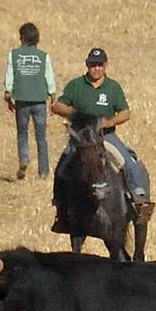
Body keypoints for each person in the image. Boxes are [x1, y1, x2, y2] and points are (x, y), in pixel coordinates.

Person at [51, 47, 150, 204]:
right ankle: (59, 202)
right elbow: (57, 106)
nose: (96, 69)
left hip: (106, 135)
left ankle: (138, 197)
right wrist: (77, 115)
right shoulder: (76, 85)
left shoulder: (113, 87)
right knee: (62, 166)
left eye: (100, 65)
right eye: (93, 65)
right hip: (82, 137)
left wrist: (110, 122)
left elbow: (125, 112)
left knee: (127, 161)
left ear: (106, 66)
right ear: (87, 65)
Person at [4, 23, 56, 180]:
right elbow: (49, 78)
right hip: (40, 100)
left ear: (21, 38)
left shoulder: (13, 55)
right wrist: (53, 98)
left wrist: (8, 95)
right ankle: (44, 171)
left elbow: (9, 77)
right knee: (41, 137)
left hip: (22, 100)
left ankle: (24, 159)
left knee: (22, 133)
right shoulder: (43, 56)